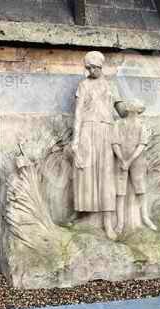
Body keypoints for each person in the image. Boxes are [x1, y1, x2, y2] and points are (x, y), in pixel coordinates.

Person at [71, 51, 120, 239]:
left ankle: (108, 222)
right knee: (87, 174)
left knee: (106, 174)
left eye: (94, 67)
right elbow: (78, 113)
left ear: (102, 66)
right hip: (87, 131)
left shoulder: (111, 85)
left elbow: (120, 107)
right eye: (88, 68)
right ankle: (89, 216)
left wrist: (131, 112)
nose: (91, 70)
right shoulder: (83, 85)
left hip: (106, 131)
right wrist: (75, 140)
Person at [112, 100, 157, 232]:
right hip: (120, 159)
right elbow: (115, 142)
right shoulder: (118, 124)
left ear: (137, 110)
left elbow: (141, 145)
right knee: (120, 192)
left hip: (137, 161)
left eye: (131, 103)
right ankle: (120, 223)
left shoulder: (142, 125)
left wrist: (129, 161)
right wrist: (122, 159)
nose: (127, 105)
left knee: (140, 189)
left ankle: (145, 217)